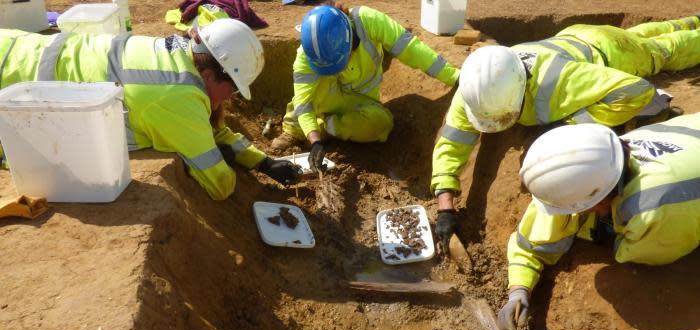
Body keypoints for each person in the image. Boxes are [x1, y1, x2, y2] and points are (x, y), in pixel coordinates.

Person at [432, 15, 700, 249]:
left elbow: (636, 91)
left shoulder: (561, 82)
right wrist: (445, 205)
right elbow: (453, 142)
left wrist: (570, 125)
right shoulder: (476, 90)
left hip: (612, 51)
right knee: (648, 33)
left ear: (521, 91)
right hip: (575, 37)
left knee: (665, 50)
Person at [0, 19, 301, 199]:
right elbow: (220, 185)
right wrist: (225, 160)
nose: (232, 98)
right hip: (13, 87)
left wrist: (263, 162)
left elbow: (213, 130)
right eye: (233, 88)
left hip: (16, 48)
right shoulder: (178, 98)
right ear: (210, 75)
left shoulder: (174, 55)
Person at [496, 113, 700, 330]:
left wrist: (600, 224)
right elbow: (532, 239)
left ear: (599, 202)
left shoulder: (651, 209)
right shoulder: (602, 157)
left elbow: (639, 252)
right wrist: (518, 291)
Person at [271, 2, 460, 172]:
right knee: (307, 96)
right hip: (326, 100)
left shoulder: (370, 21)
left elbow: (411, 49)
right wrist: (315, 143)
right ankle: (293, 130)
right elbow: (303, 103)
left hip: (360, 101)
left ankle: (327, 127)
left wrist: (454, 77)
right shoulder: (309, 52)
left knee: (381, 124)